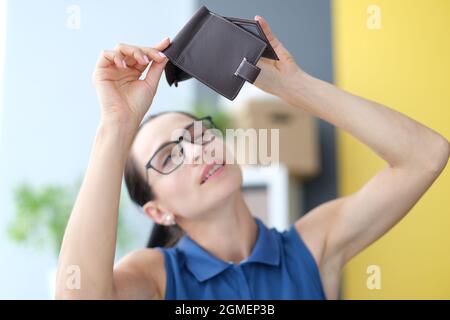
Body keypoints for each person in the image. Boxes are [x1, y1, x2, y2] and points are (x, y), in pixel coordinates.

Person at [55, 16, 449, 300]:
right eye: (171, 155)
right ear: (158, 213)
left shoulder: (311, 247)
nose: (197, 150)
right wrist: (117, 126)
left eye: (197, 134)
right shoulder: (155, 277)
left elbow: (425, 155)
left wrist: (297, 87)